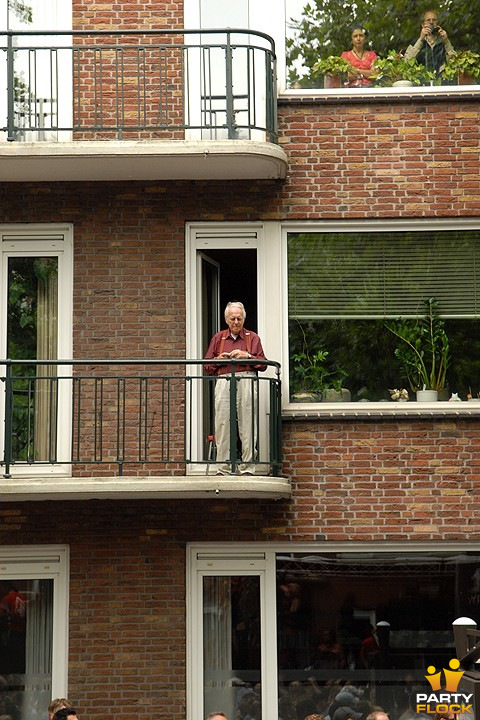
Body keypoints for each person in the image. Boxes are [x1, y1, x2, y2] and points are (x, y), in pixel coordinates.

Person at [204, 301, 267, 475]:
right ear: (226, 319)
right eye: (233, 318)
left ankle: (248, 468)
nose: (236, 322)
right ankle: (223, 468)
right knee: (223, 423)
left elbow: (263, 364)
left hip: (246, 379)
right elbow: (207, 366)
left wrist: (247, 355)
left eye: (239, 318)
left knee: (248, 423)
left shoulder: (252, 338)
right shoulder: (218, 338)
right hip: (223, 380)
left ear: (244, 318)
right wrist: (218, 360)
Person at [403, 9, 455, 78]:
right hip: (422, 85)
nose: (431, 22)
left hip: (442, 84)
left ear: (438, 24)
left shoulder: (444, 42)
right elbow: (406, 63)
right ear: (422, 24)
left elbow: (455, 64)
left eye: (434, 20)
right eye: (428, 20)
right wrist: (421, 40)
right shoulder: (416, 42)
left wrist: (446, 41)